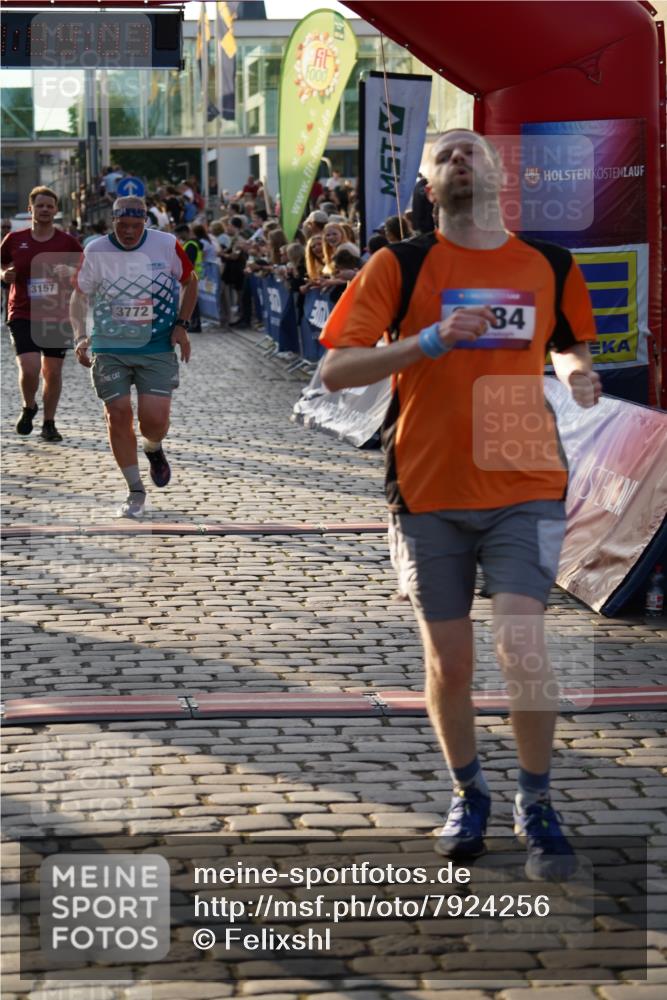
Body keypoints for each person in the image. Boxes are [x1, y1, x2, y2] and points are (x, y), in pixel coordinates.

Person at [320, 128, 601, 882]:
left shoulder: (548, 263)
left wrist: (576, 374)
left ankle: (536, 802)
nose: (458, 159)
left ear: (498, 171)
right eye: (442, 154)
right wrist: (428, 343)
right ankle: (467, 792)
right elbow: (338, 368)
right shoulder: (399, 264)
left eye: (471, 149)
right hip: (428, 485)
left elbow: (569, 341)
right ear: (425, 183)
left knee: (524, 646)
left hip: (525, 478)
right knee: (449, 659)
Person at [71, 196, 198, 518]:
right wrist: (80, 336)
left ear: (145, 222)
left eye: (136, 226)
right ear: (112, 221)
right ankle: (135, 490)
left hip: (155, 347)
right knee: (117, 414)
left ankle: (153, 448)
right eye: (122, 225)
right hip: (109, 347)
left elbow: (190, 280)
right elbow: (79, 294)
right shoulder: (96, 250)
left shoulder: (166, 244)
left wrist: (181, 325)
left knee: (154, 422)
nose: (129, 232)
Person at [1, 186, 82, 441]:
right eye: (40, 205)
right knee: (30, 367)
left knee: (53, 371)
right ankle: (29, 406)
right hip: (23, 311)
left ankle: (49, 422)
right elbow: (1, 263)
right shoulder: (14, 239)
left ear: (55, 210)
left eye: (49, 206)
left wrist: (70, 273)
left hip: (57, 313)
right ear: (31, 209)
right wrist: (4, 274)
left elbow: (86, 271)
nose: (45, 210)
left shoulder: (67, 242)